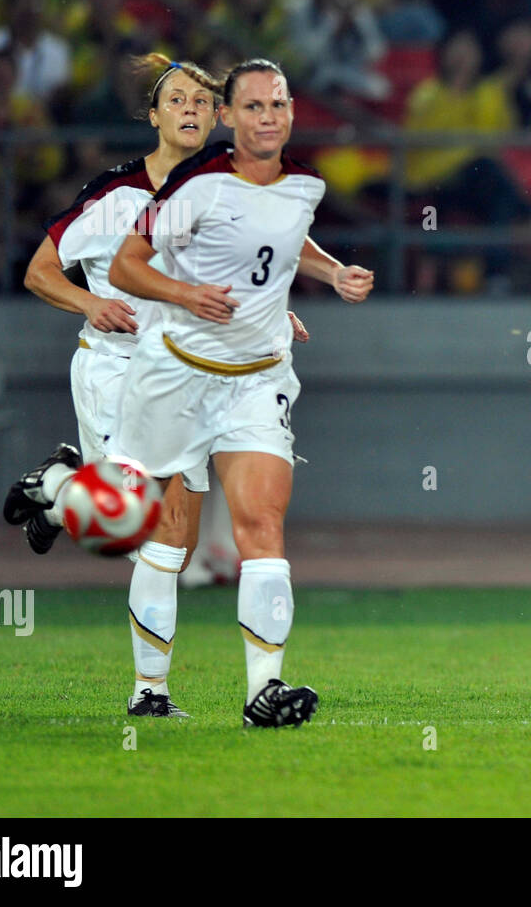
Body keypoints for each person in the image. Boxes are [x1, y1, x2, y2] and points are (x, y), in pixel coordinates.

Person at [106, 58, 373, 728]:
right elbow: (126, 266)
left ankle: (265, 691)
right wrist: (185, 292)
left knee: (263, 523)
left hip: (257, 378)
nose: (269, 117)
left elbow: (279, 241)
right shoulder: (197, 187)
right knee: (170, 542)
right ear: (227, 116)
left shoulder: (304, 185)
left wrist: (332, 273)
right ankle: (149, 689)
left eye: (278, 104)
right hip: (177, 377)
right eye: (253, 106)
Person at [1, 54, 227, 720]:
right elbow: (40, 271)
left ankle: (150, 694)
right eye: (176, 99)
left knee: (175, 537)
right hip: (116, 369)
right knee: (134, 526)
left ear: (216, 116)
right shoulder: (114, 196)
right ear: (153, 116)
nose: (190, 108)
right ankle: (59, 487)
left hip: (182, 377)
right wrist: (88, 303)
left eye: (202, 100)